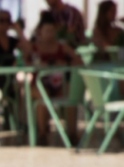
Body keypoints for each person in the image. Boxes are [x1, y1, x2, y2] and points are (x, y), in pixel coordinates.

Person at [26, 17, 82, 145]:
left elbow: (79, 61)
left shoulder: (62, 47)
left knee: (71, 94)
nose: (50, 34)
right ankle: (42, 134)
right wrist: (39, 65)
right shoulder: (33, 48)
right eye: (47, 31)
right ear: (40, 32)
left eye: (52, 31)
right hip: (39, 84)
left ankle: (72, 134)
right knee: (42, 95)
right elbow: (21, 62)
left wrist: (65, 63)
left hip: (58, 84)